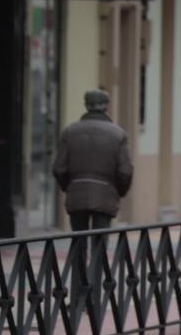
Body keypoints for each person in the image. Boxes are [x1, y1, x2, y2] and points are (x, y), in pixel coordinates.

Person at [53, 89, 133, 232]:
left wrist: (70, 186)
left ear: (86, 105)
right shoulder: (118, 134)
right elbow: (125, 171)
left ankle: (80, 255)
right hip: (106, 194)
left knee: (78, 243)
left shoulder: (70, 132)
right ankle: (97, 255)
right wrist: (118, 191)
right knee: (100, 245)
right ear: (106, 106)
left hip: (76, 193)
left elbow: (59, 168)